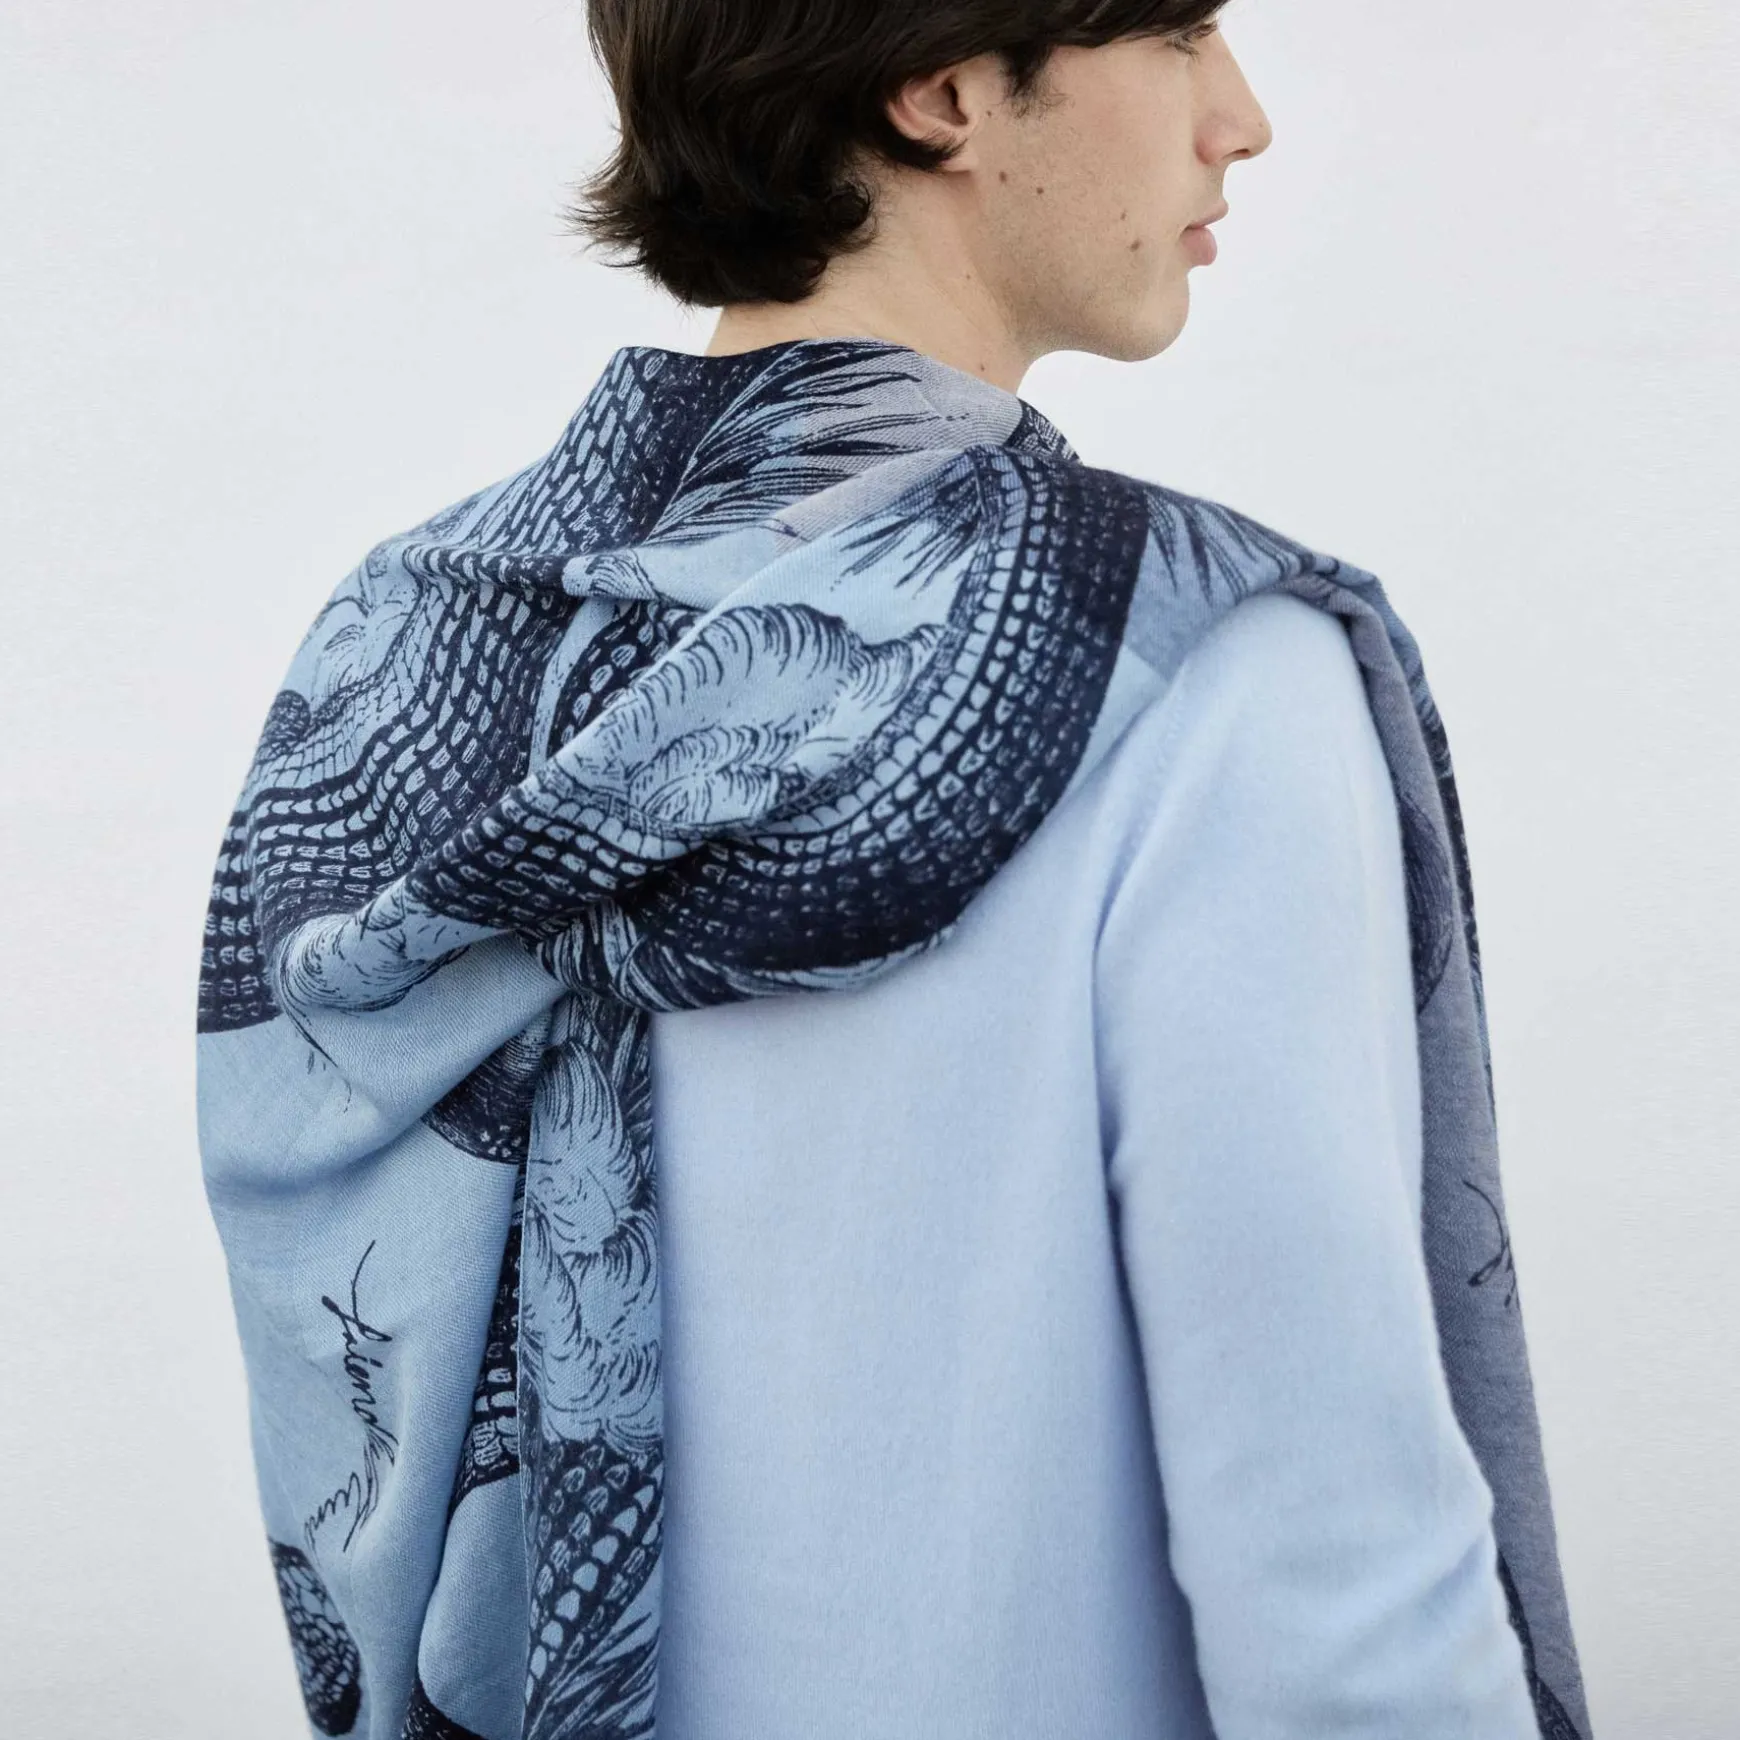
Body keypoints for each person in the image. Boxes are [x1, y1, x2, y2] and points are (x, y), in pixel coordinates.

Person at [196, 4, 1590, 1737]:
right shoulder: (1180, 672)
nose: (1241, 118)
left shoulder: (395, 657)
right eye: (1178, 33)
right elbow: (1340, 1568)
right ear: (942, 94)